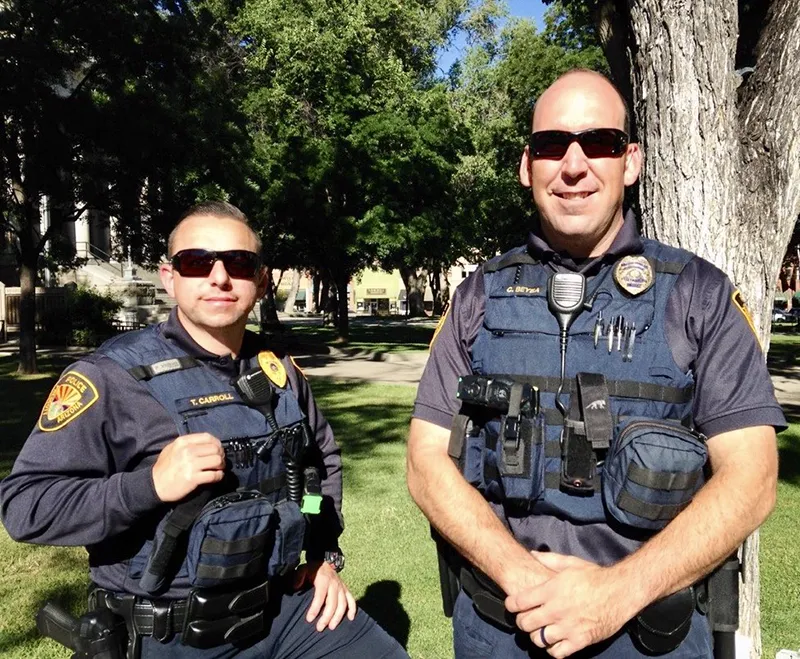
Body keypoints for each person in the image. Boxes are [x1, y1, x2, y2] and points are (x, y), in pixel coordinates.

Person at [406, 69, 784, 659]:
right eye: (553, 145)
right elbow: (426, 462)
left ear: (629, 161)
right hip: (499, 627)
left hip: (647, 634)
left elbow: (753, 479)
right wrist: (526, 580)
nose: (574, 166)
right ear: (526, 165)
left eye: (600, 143)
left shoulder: (700, 294)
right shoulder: (477, 295)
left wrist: (613, 593)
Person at [1, 201, 408, 659]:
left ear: (260, 278)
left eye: (239, 262)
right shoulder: (109, 377)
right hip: (171, 629)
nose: (219, 277)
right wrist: (148, 485)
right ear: (169, 277)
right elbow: (24, 506)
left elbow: (319, 464)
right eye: (197, 262)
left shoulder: (279, 371)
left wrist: (321, 554)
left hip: (284, 606)